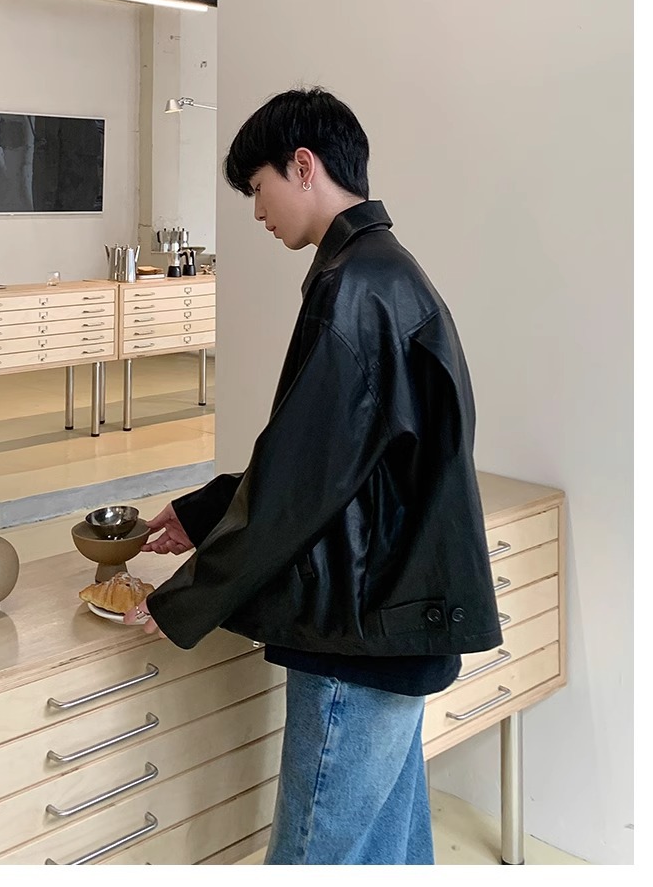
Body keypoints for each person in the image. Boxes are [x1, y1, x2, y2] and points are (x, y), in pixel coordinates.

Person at [126, 87, 503, 865]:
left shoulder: (354, 287)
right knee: (390, 853)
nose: (256, 210)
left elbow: (301, 482)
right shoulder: (387, 272)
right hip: (394, 622)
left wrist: (188, 595)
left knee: (315, 858)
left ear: (303, 166)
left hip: (358, 631)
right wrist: (204, 510)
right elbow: (334, 455)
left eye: (257, 186)